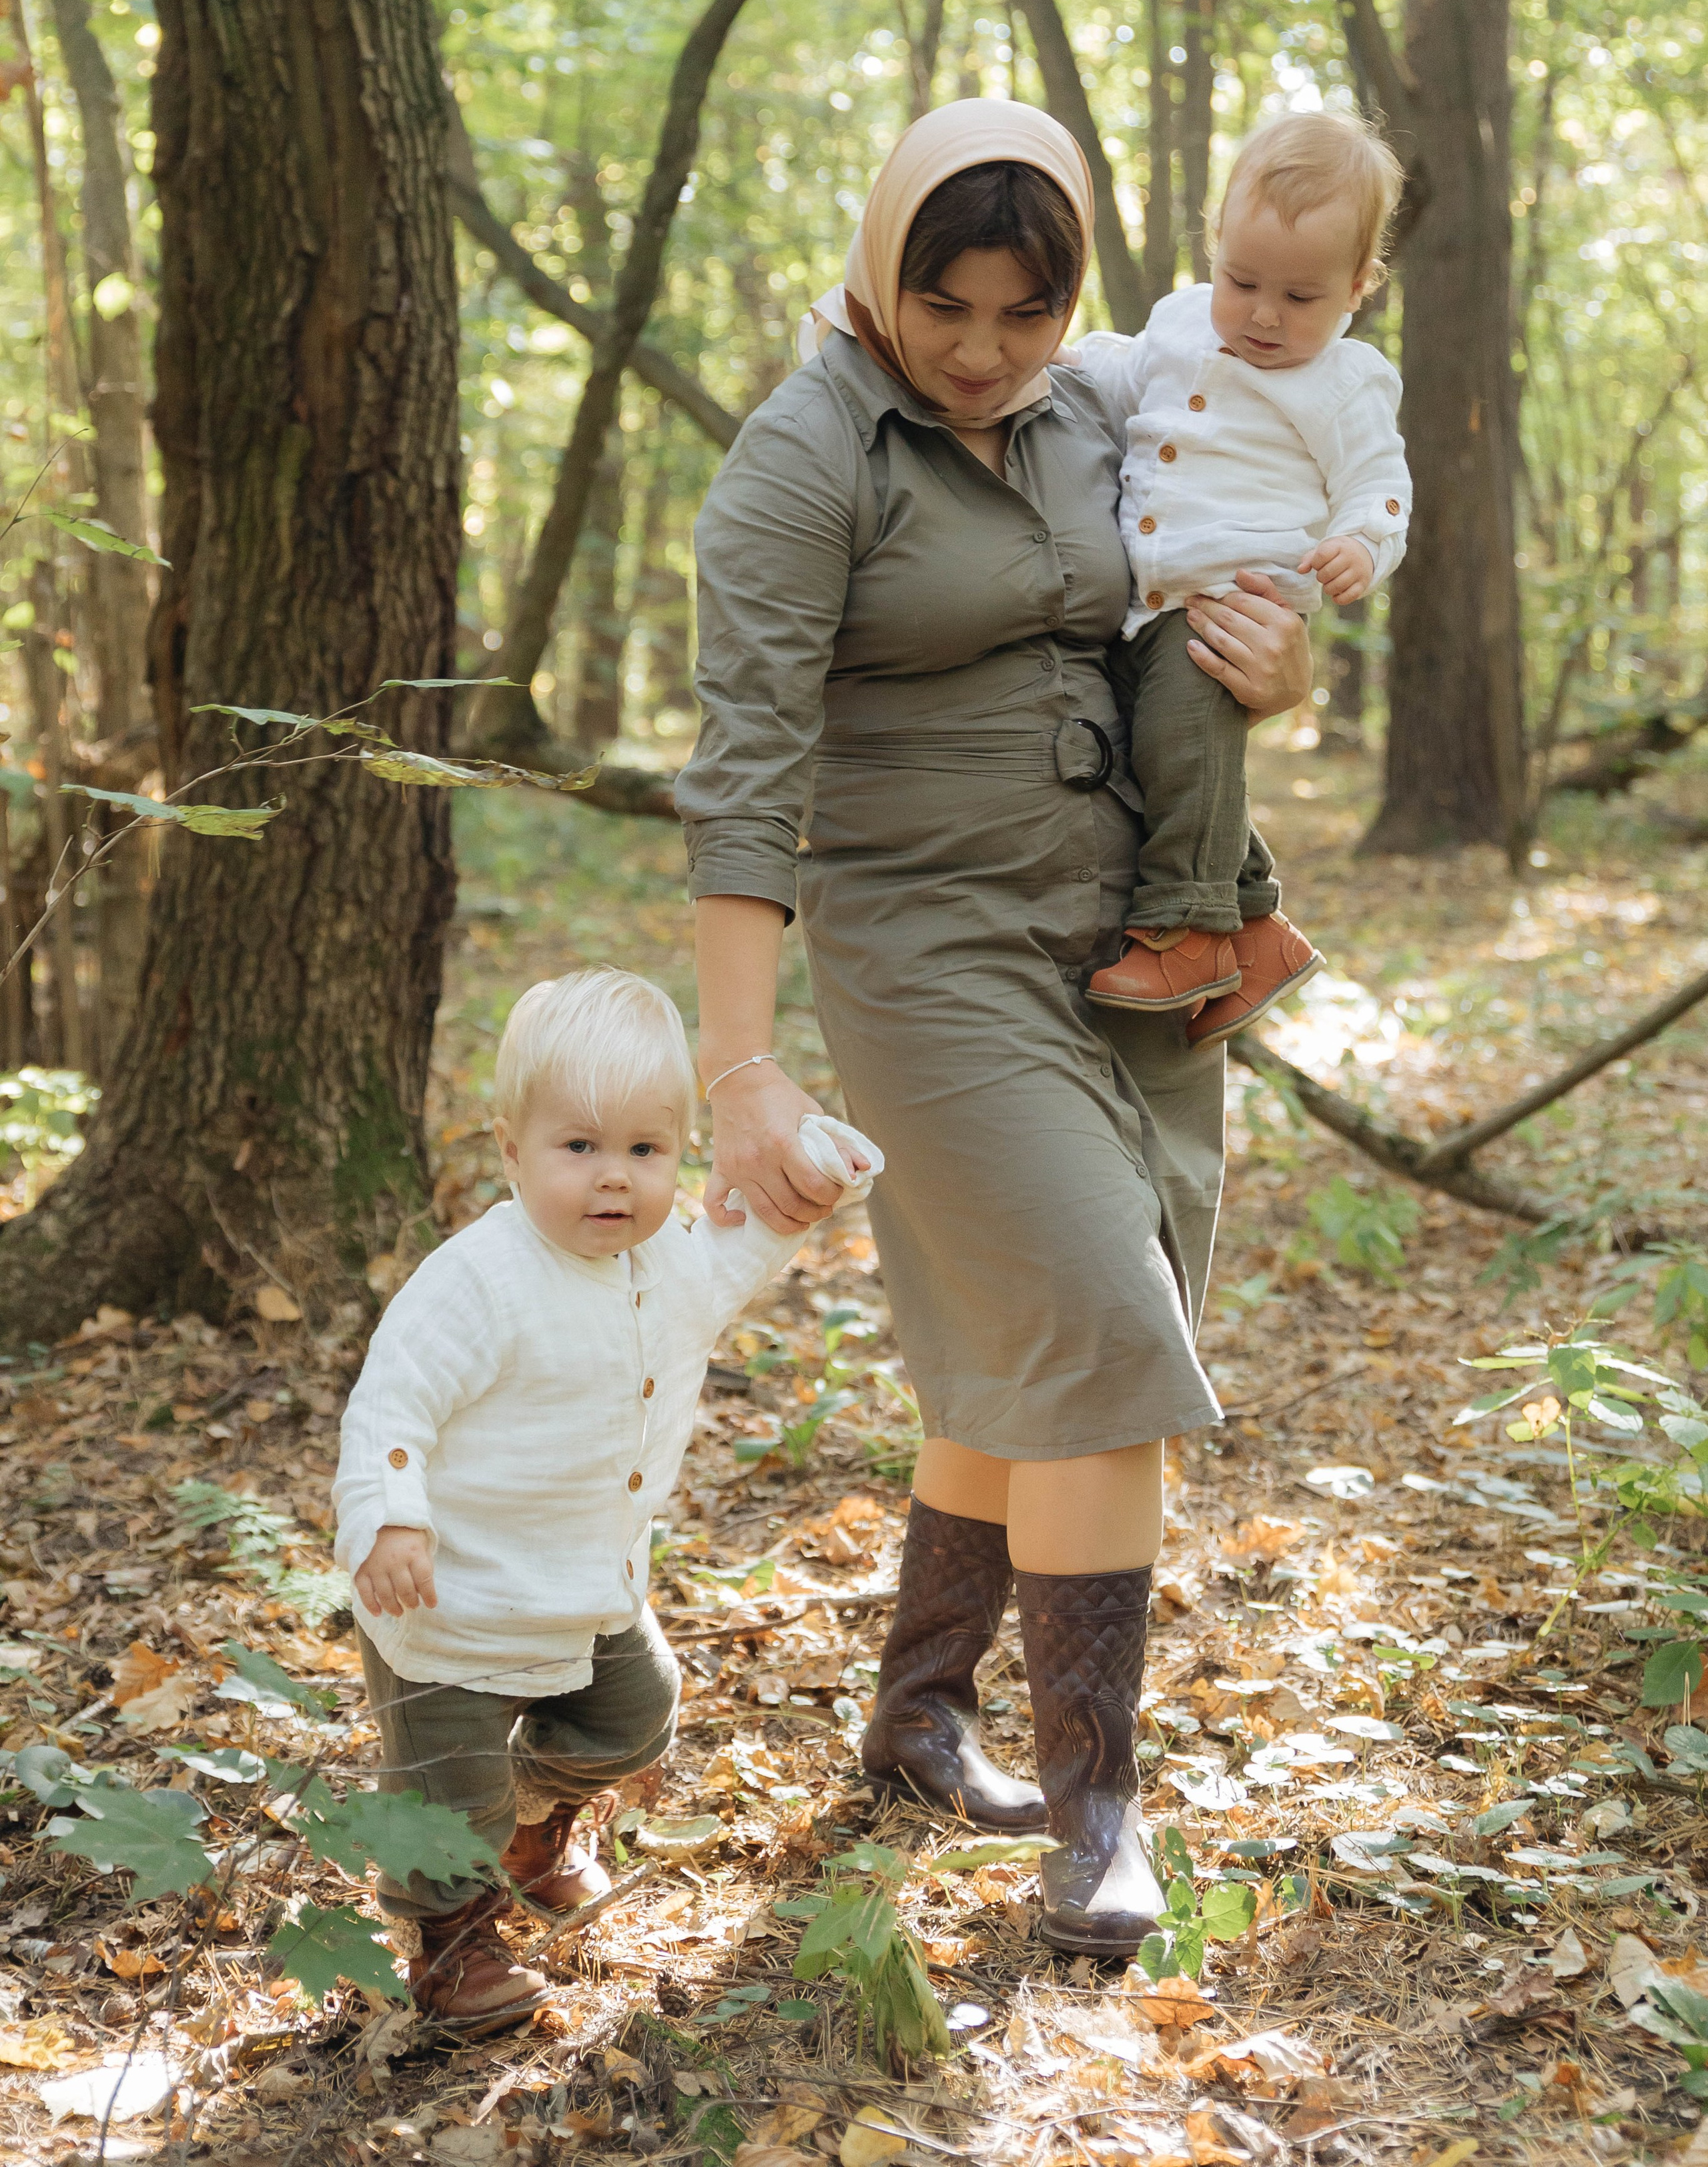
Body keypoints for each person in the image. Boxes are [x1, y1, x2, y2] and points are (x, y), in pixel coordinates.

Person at [678, 98, 1312, 1958]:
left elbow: (1229, 590)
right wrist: (742, 1068)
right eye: (943, 304)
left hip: (1133, 943)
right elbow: (740, 784)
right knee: (1106, 1318)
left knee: (1042, 1343)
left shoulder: (1111, 404)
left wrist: (1295, 669)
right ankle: (1100, 1814)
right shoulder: (805, 460)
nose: (980, 350)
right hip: (928, 949)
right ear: (882, 271)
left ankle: (917, 1712)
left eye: (1024, 311)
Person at [333, 968, 877, 2026]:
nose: (613, 1180)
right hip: (451, 1603)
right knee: (450, 1801)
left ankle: (536, 1833)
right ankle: (454, 1950)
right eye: (579, 1148)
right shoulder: (479, 1279)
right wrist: (391, 1516)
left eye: (645, 1150)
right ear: (510, 1149)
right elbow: (391, 1401)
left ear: (681, 1156)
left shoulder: (672, 1258)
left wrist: (816, 1165)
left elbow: (752, 1240)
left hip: (591, 1585)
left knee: (637, 1719)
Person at [1078, 114, 1410, 1039]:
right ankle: (1258, 924)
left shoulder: (1345, 382)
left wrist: (1360, 544)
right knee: (1162, 757)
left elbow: (1380, 488)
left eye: (1301, 297)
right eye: (1243, 281)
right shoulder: (1181, 319)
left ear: (1358, 287)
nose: (1264, 315)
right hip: (1146, 599)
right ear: (1214, 251)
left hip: (1232, 602)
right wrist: (1062, 359)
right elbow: (1123, 376)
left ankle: (1186, 932)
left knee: (1184, 743)